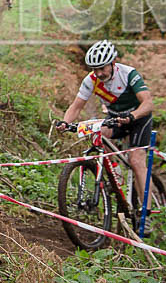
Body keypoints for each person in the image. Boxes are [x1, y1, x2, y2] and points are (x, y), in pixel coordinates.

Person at [57, 40, 154, 227]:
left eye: (102, 68)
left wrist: (133, 116)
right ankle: (113, 171)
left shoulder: (128, 74)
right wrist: (65, 123)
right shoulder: (91, 80)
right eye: (95, 69)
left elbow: (148, 103)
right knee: (97, 133)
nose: (99, 73)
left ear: (113, 63)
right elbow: (76, 106)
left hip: (138, 118)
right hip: (115, 118)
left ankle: (146, 213)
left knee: (136, 160)